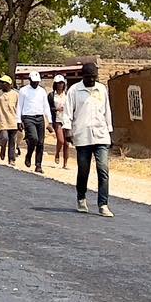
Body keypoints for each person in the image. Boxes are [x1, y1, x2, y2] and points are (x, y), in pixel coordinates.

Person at [65, 61, 113, 216]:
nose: (91, 80)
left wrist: (109, 133)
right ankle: (81, 198)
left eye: (94, 77)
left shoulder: (101, 89)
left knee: (103, 170)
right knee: (84, 170)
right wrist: (68, 130)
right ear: (82, 76)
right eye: (88, 77)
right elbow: (67, 112)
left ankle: (103, 204)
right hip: (82, 135)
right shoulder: (74, 90)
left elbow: (107, 111)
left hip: (101, 135)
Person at [16, 73, 50, 172]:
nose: (35, 83)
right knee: (34, 138)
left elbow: (46, 106)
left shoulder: (42, 91)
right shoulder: (23, 91)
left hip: (40, 117)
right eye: (34, 81)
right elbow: (19, 106)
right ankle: (29, 154)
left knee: (40, 142)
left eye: (37, 82)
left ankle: (38, 165)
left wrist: (50, 120)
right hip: (28, 117)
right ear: (30, 80)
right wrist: (19, 120)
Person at [0, 76, 21, 165]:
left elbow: (19, 108)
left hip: (13, 120)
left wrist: (20, 120)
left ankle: (11, 159)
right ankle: (3, 147)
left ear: (9, 84)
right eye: (1, 82)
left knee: (12, 141)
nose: (2, 84)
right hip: (2, 120)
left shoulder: (16, 94)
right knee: (4, 137)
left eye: (5, 82)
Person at [50, 76, 72, 168]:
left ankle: (65, 163)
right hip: (57, 120)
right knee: (61, 140)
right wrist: (56, 109)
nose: (60, 85)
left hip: (66, 119)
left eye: (62, 83)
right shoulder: (51, 95)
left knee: (67, 143)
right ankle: (57, 153)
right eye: (58, 83)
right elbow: (48, 108)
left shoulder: (67, 95)